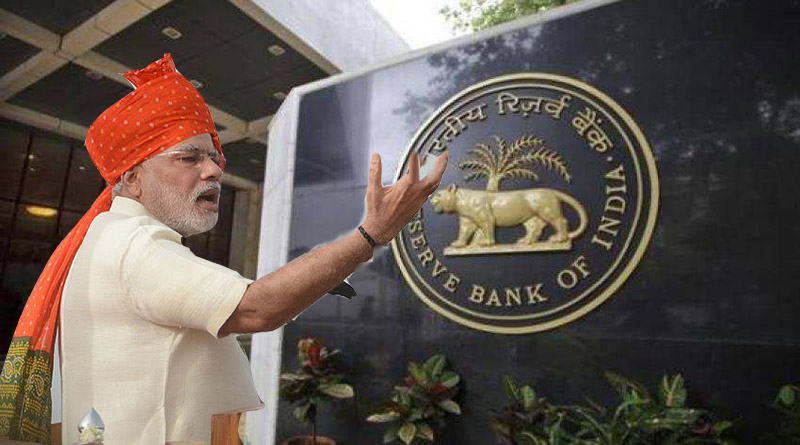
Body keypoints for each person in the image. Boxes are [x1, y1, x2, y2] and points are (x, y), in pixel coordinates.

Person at [0, 54, 448, 444]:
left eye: (214, 157)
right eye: (190, 157)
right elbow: (257, 308)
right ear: (133, 177)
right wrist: (371, 234)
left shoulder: (113, 237)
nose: (214, 170)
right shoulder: (134, 244)